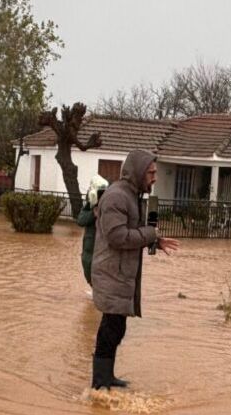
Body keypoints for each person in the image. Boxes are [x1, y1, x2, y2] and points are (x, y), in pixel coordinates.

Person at [89, 150, 180, 390]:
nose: (154, 178)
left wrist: (155, 241)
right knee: (111, 329)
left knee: (116, 328)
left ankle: (106, 377)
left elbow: (132, 231)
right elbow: (117, 236)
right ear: (138, 172)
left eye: (155, 173)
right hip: (111, 273)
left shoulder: (131, 196)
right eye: (151, 173)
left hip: (120, 274)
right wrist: (150, 234)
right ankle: (99, 384)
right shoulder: (117, 197)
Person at [76, 174, 110, 288]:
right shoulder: (90, 206)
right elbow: (80, 220)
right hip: (89, 250)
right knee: (90, 276)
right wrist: (93, 214)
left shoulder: (110, 205)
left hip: (103, 252)